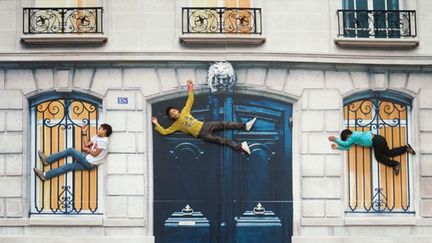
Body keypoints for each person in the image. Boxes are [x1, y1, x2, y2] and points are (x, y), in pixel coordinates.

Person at [151, 80, 256, 155]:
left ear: (177, 110)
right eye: (171, 114)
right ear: (171, 117)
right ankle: (241, 147)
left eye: (173, 111)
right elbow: (164, 132)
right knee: (223, 140)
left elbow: (190, 100)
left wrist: (190, 88)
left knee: (224, 124)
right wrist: (156, 123)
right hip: (202, 134)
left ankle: (245, 126)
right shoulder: (176, 125)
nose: (173, 113)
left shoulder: (184, 112)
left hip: (205, 125)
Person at [33, 123, 112, 181]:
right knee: (68, 167)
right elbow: (87, 144)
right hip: (89, 162)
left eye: (99, 129)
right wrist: (84, 132)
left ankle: (48, 160)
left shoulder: (104, 141)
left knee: (70, 150)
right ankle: (45, 175)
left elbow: (95, 154)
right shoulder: (97, 137)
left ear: (104, 131)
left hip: (89, 161)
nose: (97, 130)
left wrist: (88, 150)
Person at [328, 129, 416, 175]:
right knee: (388, 153)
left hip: (376, 141)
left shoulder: (353, 136)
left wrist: (335, 139)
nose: (348, 139)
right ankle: (406, 148)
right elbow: (347, 147)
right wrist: (337, 147)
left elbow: (346, 143)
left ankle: (395, 164)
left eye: (347, 138)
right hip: (379, 139)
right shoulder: (354, 137)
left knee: (379, 157)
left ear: (348, 135)